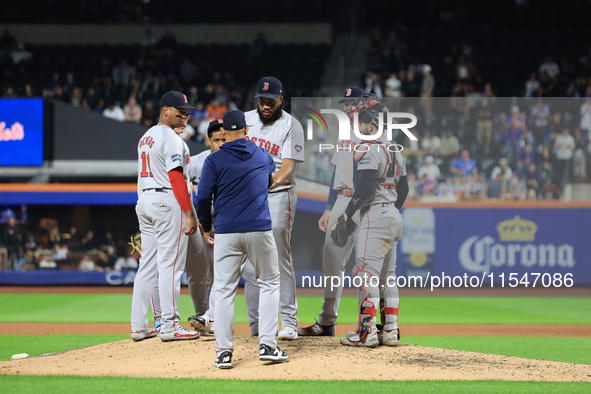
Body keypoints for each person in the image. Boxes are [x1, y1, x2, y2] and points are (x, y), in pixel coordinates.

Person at [196, 110, 287, 369]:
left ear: (223, 132)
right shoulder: (262, 155)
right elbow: (269, 179)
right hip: (259, 228)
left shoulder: (214, 160)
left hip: (226, 231)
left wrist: (206, 224)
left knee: (224, 290)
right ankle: (268, 345)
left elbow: (203, 198)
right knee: (269, 283)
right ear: (247, 130)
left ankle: (223, 353)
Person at [130, 90, 200, 343]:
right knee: (170, 265)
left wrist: (144, 205)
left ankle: (139, 326)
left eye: (186, 114)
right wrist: (188, 213)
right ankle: (169, 326)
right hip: (167, 201)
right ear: (165, 111)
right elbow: (176, 178)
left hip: (145, 200)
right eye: (179, 113)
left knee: (147, 265)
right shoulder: (170, 138)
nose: (184, 118)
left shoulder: (145, 137)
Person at [339, 101, 409, 347]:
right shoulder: (395, 148)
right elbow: (405, 188)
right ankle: (390, 330)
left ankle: (366, 332)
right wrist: (390, 210)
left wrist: (348, 213)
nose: (359, 127)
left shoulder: (370, 150)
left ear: (371, 125)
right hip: (394, 216)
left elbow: (366, 185)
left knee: (365, 276)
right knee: (388, 277)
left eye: (362, 123)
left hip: (375, 215)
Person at [298, 86, 366, 337]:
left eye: (353, 103)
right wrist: (329, 208)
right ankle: (327, 322)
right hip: (341, 200)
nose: (348, 107)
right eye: (346, 104)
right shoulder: (344, 134)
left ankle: (368, 324)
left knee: (366, 266)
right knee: (331, 261)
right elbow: (336, 174)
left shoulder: (376, 134)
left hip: (366, 204)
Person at [242, 76, 305, 340]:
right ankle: (257, 325)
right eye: (262, 100)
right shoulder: (245, 120)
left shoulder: (292, 124)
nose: (266, 106)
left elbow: (288, 169)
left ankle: (289, 321)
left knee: (279, 256)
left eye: (271, 101)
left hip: (278, 194)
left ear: (281, 98)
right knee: (249, 263)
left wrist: (262, 186)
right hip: (247, 196)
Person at [186, 119, 227, 333]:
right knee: (205, 273)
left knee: (220, 275)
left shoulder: (233, 160)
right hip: (205, 226)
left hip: (228, 224)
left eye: (224, 139)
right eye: (216, 140)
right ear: (208, 140)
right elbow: (179, 183)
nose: (220, 143)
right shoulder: (196, 162)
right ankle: (208, 319)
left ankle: (212, 319)